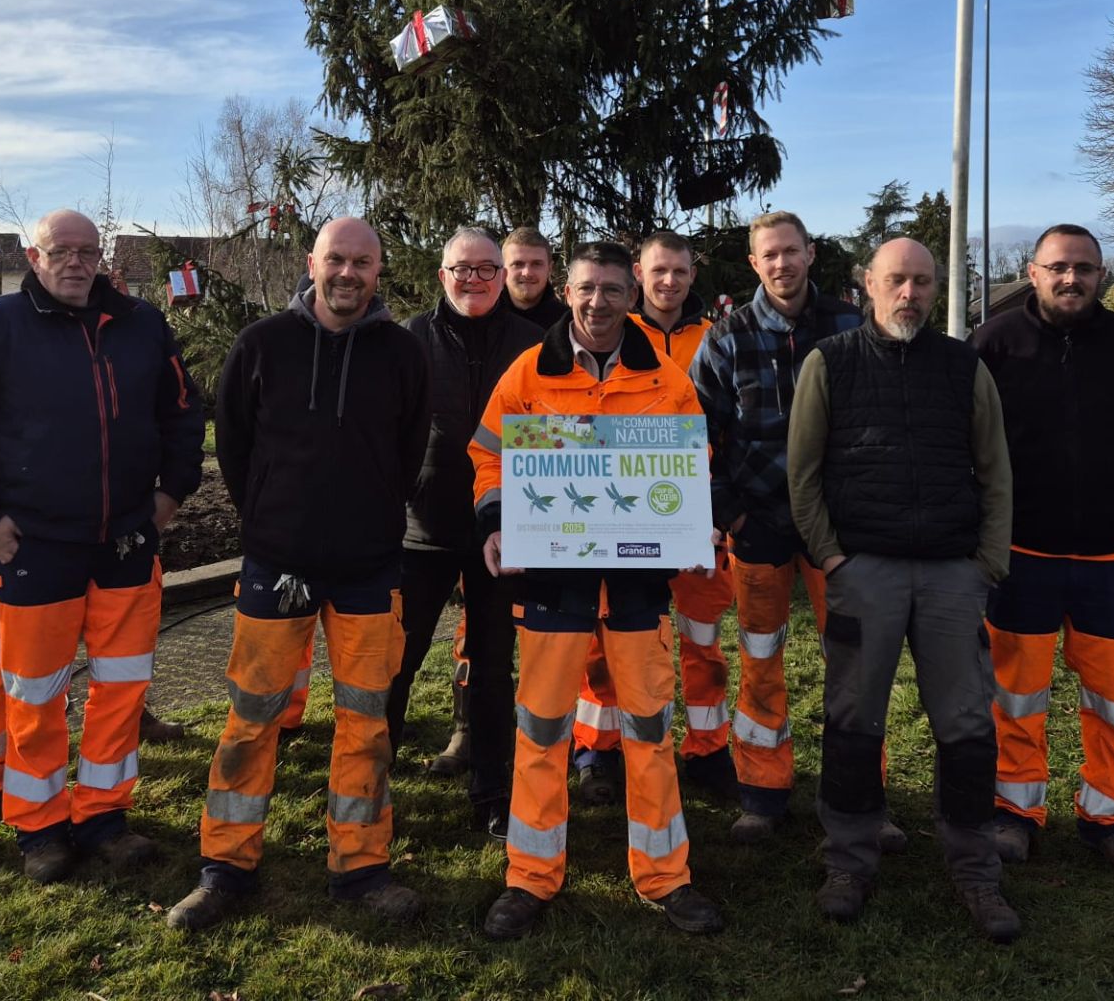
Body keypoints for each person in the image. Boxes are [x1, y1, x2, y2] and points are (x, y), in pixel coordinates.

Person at [167, 218, 430, 932]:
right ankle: (226, 865)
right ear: (311, 263)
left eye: (362, 263)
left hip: (369, 568)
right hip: (276, 565)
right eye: (335, 259)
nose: (348, 274)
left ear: (379, 270)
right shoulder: (261, 344)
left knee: (367, 723)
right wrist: (271, 519)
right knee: (252, 719)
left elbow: (409, 452)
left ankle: (361, 865)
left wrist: (371, 514)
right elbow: (235, 447)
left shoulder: (402, 353)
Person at [0, 209, 205, 883]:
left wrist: (171, 494)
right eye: (60, 251)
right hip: (36, 546)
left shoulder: (142, 324)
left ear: (100, 256)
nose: (75, 263)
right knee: (34, 695)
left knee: (122, 689)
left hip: (126, 543)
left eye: (86, 251)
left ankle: (104, 815)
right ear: (34, 256)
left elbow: (182, 413)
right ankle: (40, 826)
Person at [471, 241, 724, 941]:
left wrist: (695, 523)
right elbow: (489, 455)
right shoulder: (529, 371)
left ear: (631, 293)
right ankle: (530, 876)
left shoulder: (666, 378)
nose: (598, 302)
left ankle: (665, 875)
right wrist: (496, 520)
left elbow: (694, 464)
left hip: (638, 585)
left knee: (649, 730)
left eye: (612, 290)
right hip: (554, 581)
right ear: (568, 291)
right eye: (586, 288)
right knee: (541, 729)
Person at [787, 238, 1020, 943]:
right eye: (897, 280)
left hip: (953, 574)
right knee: (853, 723)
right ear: (868, 284)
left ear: (935, 288)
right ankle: (848, 862)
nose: (909, 294)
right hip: (865, 573)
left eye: (922, 281)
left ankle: (976, 871)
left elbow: (995, 469)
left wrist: (988, 563)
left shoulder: (964, 365)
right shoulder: (829, 362)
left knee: (967, 726)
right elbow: (803, 473)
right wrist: (831, 557)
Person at [971, 224, 1114, 875]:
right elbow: (971, 434)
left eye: (1084, 268)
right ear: (1032, 272)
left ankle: (1110, 819)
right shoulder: (994, 343)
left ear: (1100, 276)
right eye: (1058, 267)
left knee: (1113, 697)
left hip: (1111, 555)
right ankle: (1014, 812)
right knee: (1016, 695)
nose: (1071, 278)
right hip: (1021, 551)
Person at [690, 211, 869, 838]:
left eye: (791, 251)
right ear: (754, 263)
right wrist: (730, 511)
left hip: (838, 528)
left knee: (854, 662)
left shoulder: (851, 325)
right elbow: (697, 435)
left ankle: (858, 795)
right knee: (760, 658)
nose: (782, 263)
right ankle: (762, 792)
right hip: (759, 523)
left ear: (810, 253)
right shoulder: (726, 337)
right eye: (769, 255)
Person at [385, 226, 542, 840]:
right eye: (462, 269)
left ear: (502, 276)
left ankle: (493, 792)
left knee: (494, 667)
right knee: (396, 661)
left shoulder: (535, 344)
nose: (473, 279)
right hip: (422, 528)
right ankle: (369, 782)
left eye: (485, 269)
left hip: (505, 529)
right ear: (442, 275)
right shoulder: (409, 339)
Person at [572, 231, 733, 802]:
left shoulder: (716, 338)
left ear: (692, 276)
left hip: (695, 518)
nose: (669, 281)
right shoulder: (614, 333)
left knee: (701, 637)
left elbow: (726, 431)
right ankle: (598, 748)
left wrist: (718, 510)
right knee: (605, 637)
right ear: (638, 275)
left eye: (679, 272)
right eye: (658, 270)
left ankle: (708, 748)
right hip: (621, 518)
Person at [502, 225, 570, 330]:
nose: (527, 273)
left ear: (549, 269)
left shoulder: (569, 325)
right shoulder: (483, 319)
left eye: (536, 264)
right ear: (502, 270)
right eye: (518, 264)